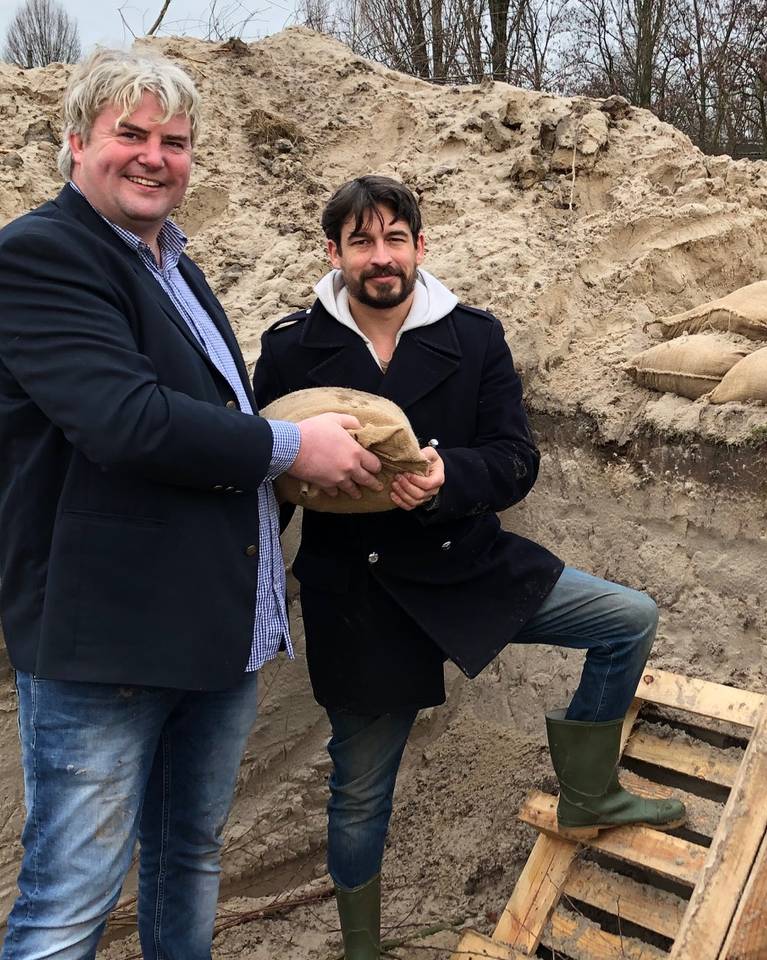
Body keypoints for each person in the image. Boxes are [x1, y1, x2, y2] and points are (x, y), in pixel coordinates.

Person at [0, 50, 385, 959]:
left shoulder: (169, 261)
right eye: (129, 134)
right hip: (110, 641)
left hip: (209, 634)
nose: (153, 156)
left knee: (188, 860)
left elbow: (213, 415)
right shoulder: (41, 256)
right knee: (70, 901)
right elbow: (127, 422)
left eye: (173, 142)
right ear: (76, 143)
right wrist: (293, 446)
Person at [253, 175, 685, 958]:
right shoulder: (291, 348)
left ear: (421, 246)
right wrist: (244, 585)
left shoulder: (475, 337)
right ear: (334, 253)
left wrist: (451, 478)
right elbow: (270, 481)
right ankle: (361, 949)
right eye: (361, 241)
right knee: (360, 792)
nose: (380, 257)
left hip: (466, 562)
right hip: (358, 594)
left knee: (627, 620)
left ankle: (589, 793)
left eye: (395, 238)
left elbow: (516, 459)